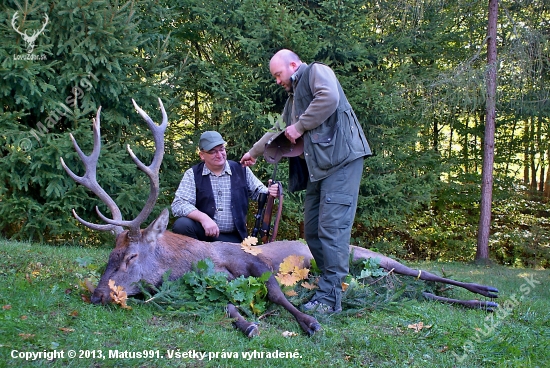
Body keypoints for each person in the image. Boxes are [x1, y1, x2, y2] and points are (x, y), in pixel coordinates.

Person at [240, 49, 371, 314]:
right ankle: (330, 283)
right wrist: (253, 152)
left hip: (342, 162)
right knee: (312, 228)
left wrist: (299, 127)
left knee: (332, 229)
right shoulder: (294, 100)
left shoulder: (316, 72)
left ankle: (329, 298)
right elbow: (278, 130)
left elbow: (329, 98)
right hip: (320, 169)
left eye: (278, 74)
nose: (277, 81)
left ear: (293, 64)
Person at [172, 131, 278, 243]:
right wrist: (204, 218)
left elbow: (260, 193)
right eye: (212, 151)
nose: (219, 155)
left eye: (221, 149)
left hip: (233, 238)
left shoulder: (241, 169)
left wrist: (271, 192)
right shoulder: (192, 174)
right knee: (182, 225)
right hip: (203, 236)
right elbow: (179, 204)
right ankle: (194, 259)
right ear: (202, 155)